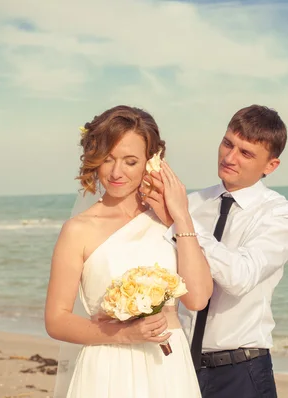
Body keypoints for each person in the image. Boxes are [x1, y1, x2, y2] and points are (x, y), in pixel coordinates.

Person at [45, 105, 211, 398]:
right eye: (108, 159)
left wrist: (181, 216)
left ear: (152, 160)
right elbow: (56, 320)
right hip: (108, 366)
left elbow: (197, 298)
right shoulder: (78, 229)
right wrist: (125, 335)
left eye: (130, 161)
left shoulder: (169, 222)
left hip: (168, 366)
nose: (116, 172)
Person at [142, 104, 288, 398]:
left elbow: (240, 276)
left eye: (246, 153)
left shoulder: (282, 216)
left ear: (271, 166)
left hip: (240, 372)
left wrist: (182, 224)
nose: (229, 157)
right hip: (176, 363)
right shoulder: (190, 203)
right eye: (227, 143)